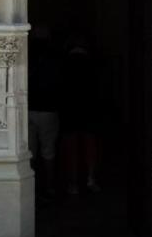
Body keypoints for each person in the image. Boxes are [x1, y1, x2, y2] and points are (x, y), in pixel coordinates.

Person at [60, 33, 100, 195]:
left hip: (70, 110)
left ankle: (73, 183)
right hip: (89, 109)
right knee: (90, 145)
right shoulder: (93, 64)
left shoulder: (64, 64)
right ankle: (90, 179)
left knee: (71, 147)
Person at [28, 25, 60, 199]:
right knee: (49, 151)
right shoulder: (54, 58)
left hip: (30, 108)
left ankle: (31, 186)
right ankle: (49, 187)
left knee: (30, 151)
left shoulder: (27, 55)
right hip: (48, 109)